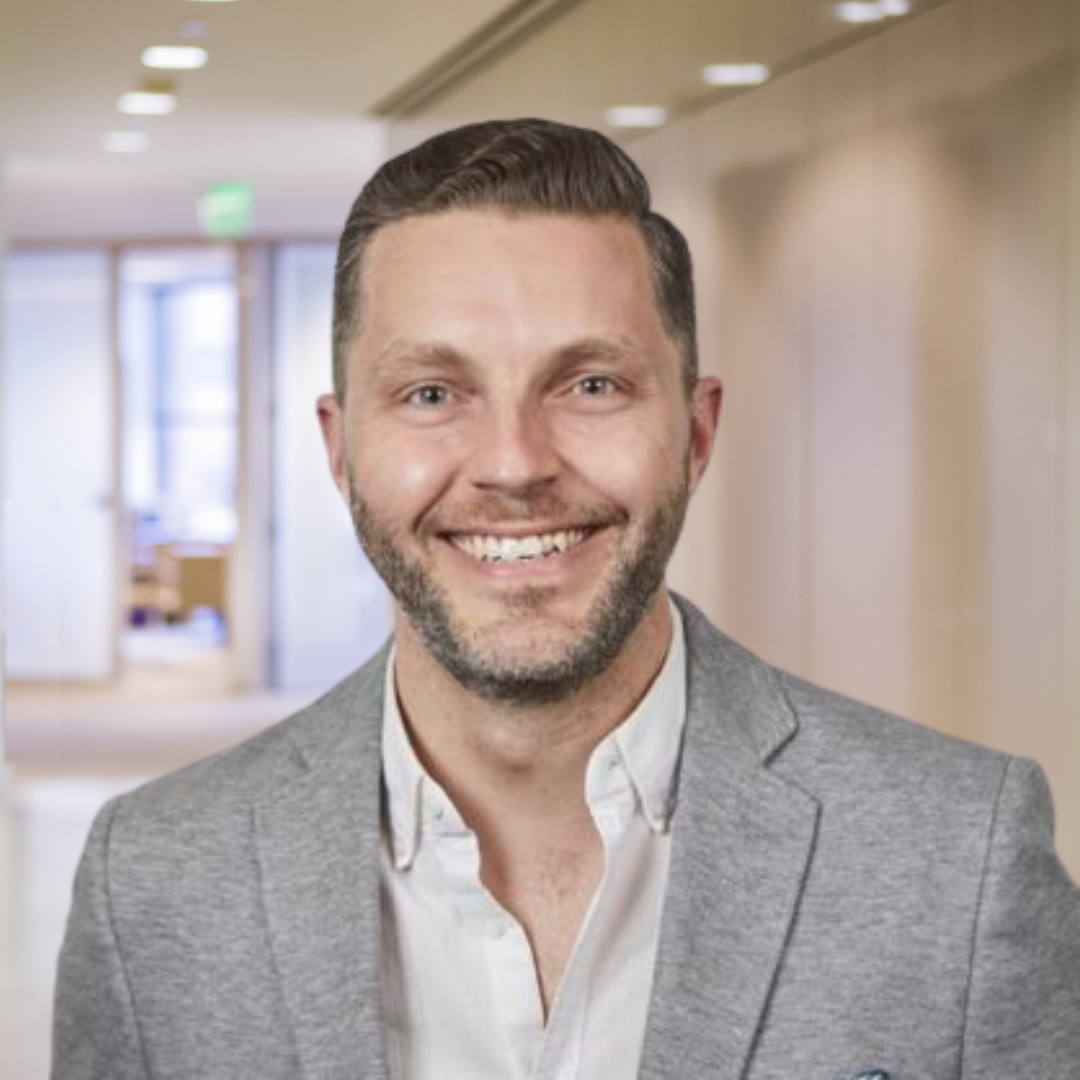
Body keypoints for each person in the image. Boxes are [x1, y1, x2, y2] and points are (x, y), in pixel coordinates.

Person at [53, 119, 1080, 1080]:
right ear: (340, 447)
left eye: (590, 384)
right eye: (431, 394)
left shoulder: (961, 856)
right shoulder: (152, 883)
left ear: (695, 430)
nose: (513, 465)